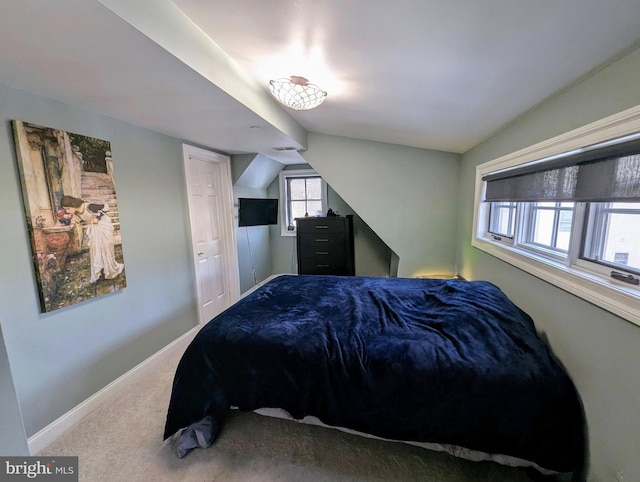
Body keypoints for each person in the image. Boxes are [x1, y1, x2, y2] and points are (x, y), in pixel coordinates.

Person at [60, 195, 124, 283]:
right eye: (66, 209)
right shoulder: (77, 213)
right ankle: (101, 272)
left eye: (68, 208)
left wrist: (98, 218)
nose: (67, 211)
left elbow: (106, 207)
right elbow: (87, 219)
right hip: (95, 229)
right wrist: (80, 222)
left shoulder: (89, 206)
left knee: (105, 250)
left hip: (103, 227)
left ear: (73, 205)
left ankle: (109, 270)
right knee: (96, 251)